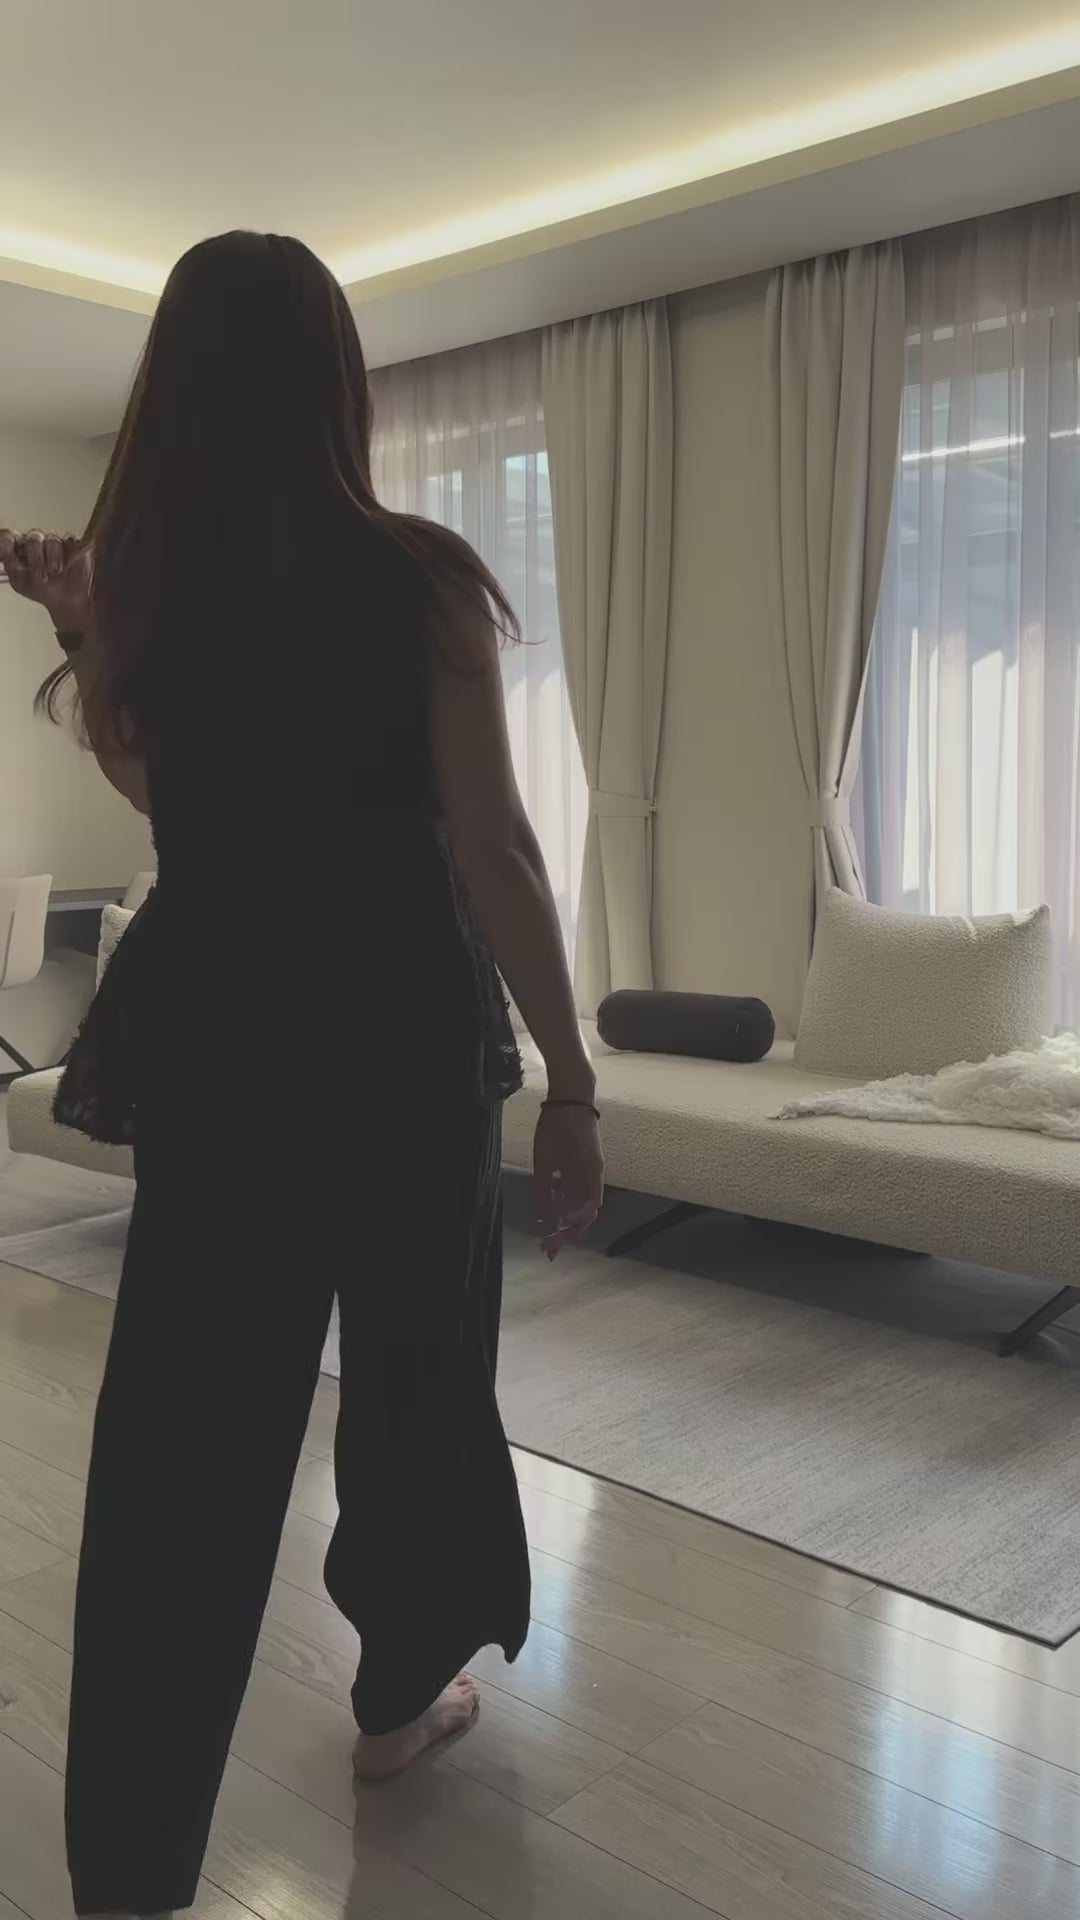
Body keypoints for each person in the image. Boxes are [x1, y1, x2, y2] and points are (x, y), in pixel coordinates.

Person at [0, 230, 603, 1920]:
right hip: (401, 1019)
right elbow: (496, 848)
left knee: (182, 1438)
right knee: (420, 1376)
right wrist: (573, 1078)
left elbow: (166, 798)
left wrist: (92, 629)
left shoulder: (156, 590)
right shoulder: (417, 578)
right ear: (336, 384)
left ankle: (129, 1868)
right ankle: (400, 1704)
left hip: (224, 1023)